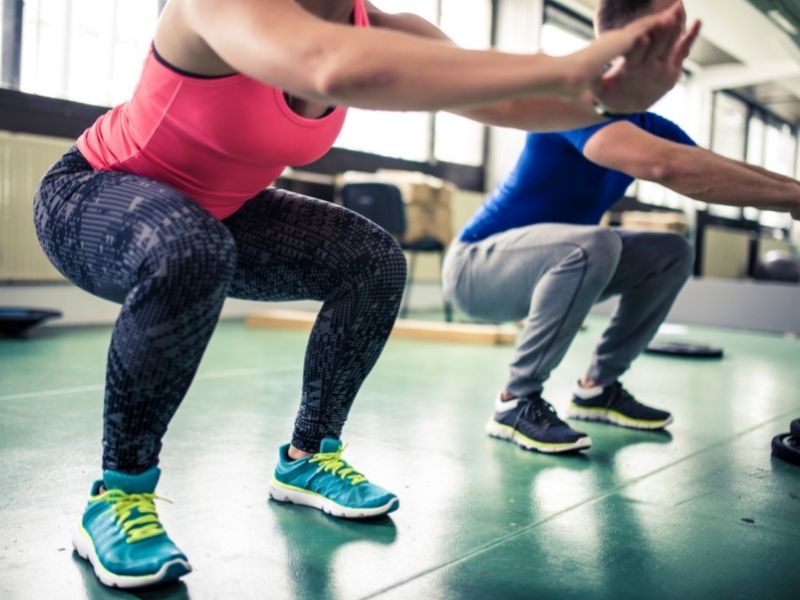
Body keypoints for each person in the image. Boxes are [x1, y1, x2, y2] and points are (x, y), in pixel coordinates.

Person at [33, 0, 697, 588]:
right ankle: (117, 495)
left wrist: (613, 97)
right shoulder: (220, 6)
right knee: (190, 250)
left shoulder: (383, 27)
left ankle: (308, 457)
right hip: (91, 195)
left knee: (373, 261)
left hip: (217, 212)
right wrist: (581, 61)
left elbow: (507, 103)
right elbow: (327, 65)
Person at [443, 0, 800, 456]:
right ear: (641, 45)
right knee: (594, 244)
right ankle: (515, 402)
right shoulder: (568, 101)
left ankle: (597, 389)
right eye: (675, 45)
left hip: (546, 261)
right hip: (475, 269)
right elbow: (662, 165)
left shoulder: (647, 124)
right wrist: (794, 196)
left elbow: (707, 168)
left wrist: (792, 192)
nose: (680, 61)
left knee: (671, 251)